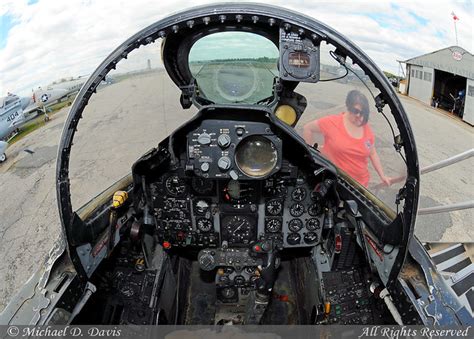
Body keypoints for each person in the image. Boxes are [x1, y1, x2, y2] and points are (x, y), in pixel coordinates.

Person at [303, 90, 392, 187]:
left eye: (363, 113)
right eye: (356, 111)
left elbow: (373, 153)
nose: (359, 116)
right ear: (349, 107)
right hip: (339, 183)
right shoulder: (332, 123)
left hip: (361, 186)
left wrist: (382, 176)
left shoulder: (366, 128)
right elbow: (308, 128)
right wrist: (310, 158)